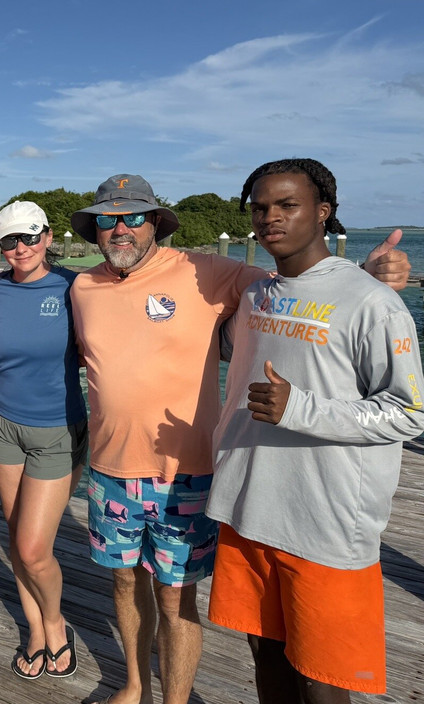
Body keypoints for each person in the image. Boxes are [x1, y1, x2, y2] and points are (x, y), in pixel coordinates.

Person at [67, 173, 410, 704]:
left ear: (155, 222)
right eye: (107, 220)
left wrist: (365, 275)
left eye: (133, 217)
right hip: (110, 469)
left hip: (187, 473)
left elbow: (301, 284)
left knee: (176, 597)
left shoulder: (207, 270)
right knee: (124, 583)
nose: (120, 229)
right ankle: (135, 686)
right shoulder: (82, 288)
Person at [204, 158, 424, 703]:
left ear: (323, 212)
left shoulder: (374, 303)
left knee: (322, 680)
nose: (270, 218)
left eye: (287, 205)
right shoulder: (256, 295)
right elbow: (221, 346)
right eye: (260, 208)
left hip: (324, 522)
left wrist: (300, 409)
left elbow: (409, 412)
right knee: (266, 656)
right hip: (248, 507)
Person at [0, 201, 86, 680]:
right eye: (10, 240)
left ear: (48, 237)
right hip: (0, 423)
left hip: (56, 430)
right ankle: (36, 630)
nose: (21, 248)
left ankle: (56, 623)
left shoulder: (74, 287)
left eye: (30, 236)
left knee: (32, 548)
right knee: (17, 534)